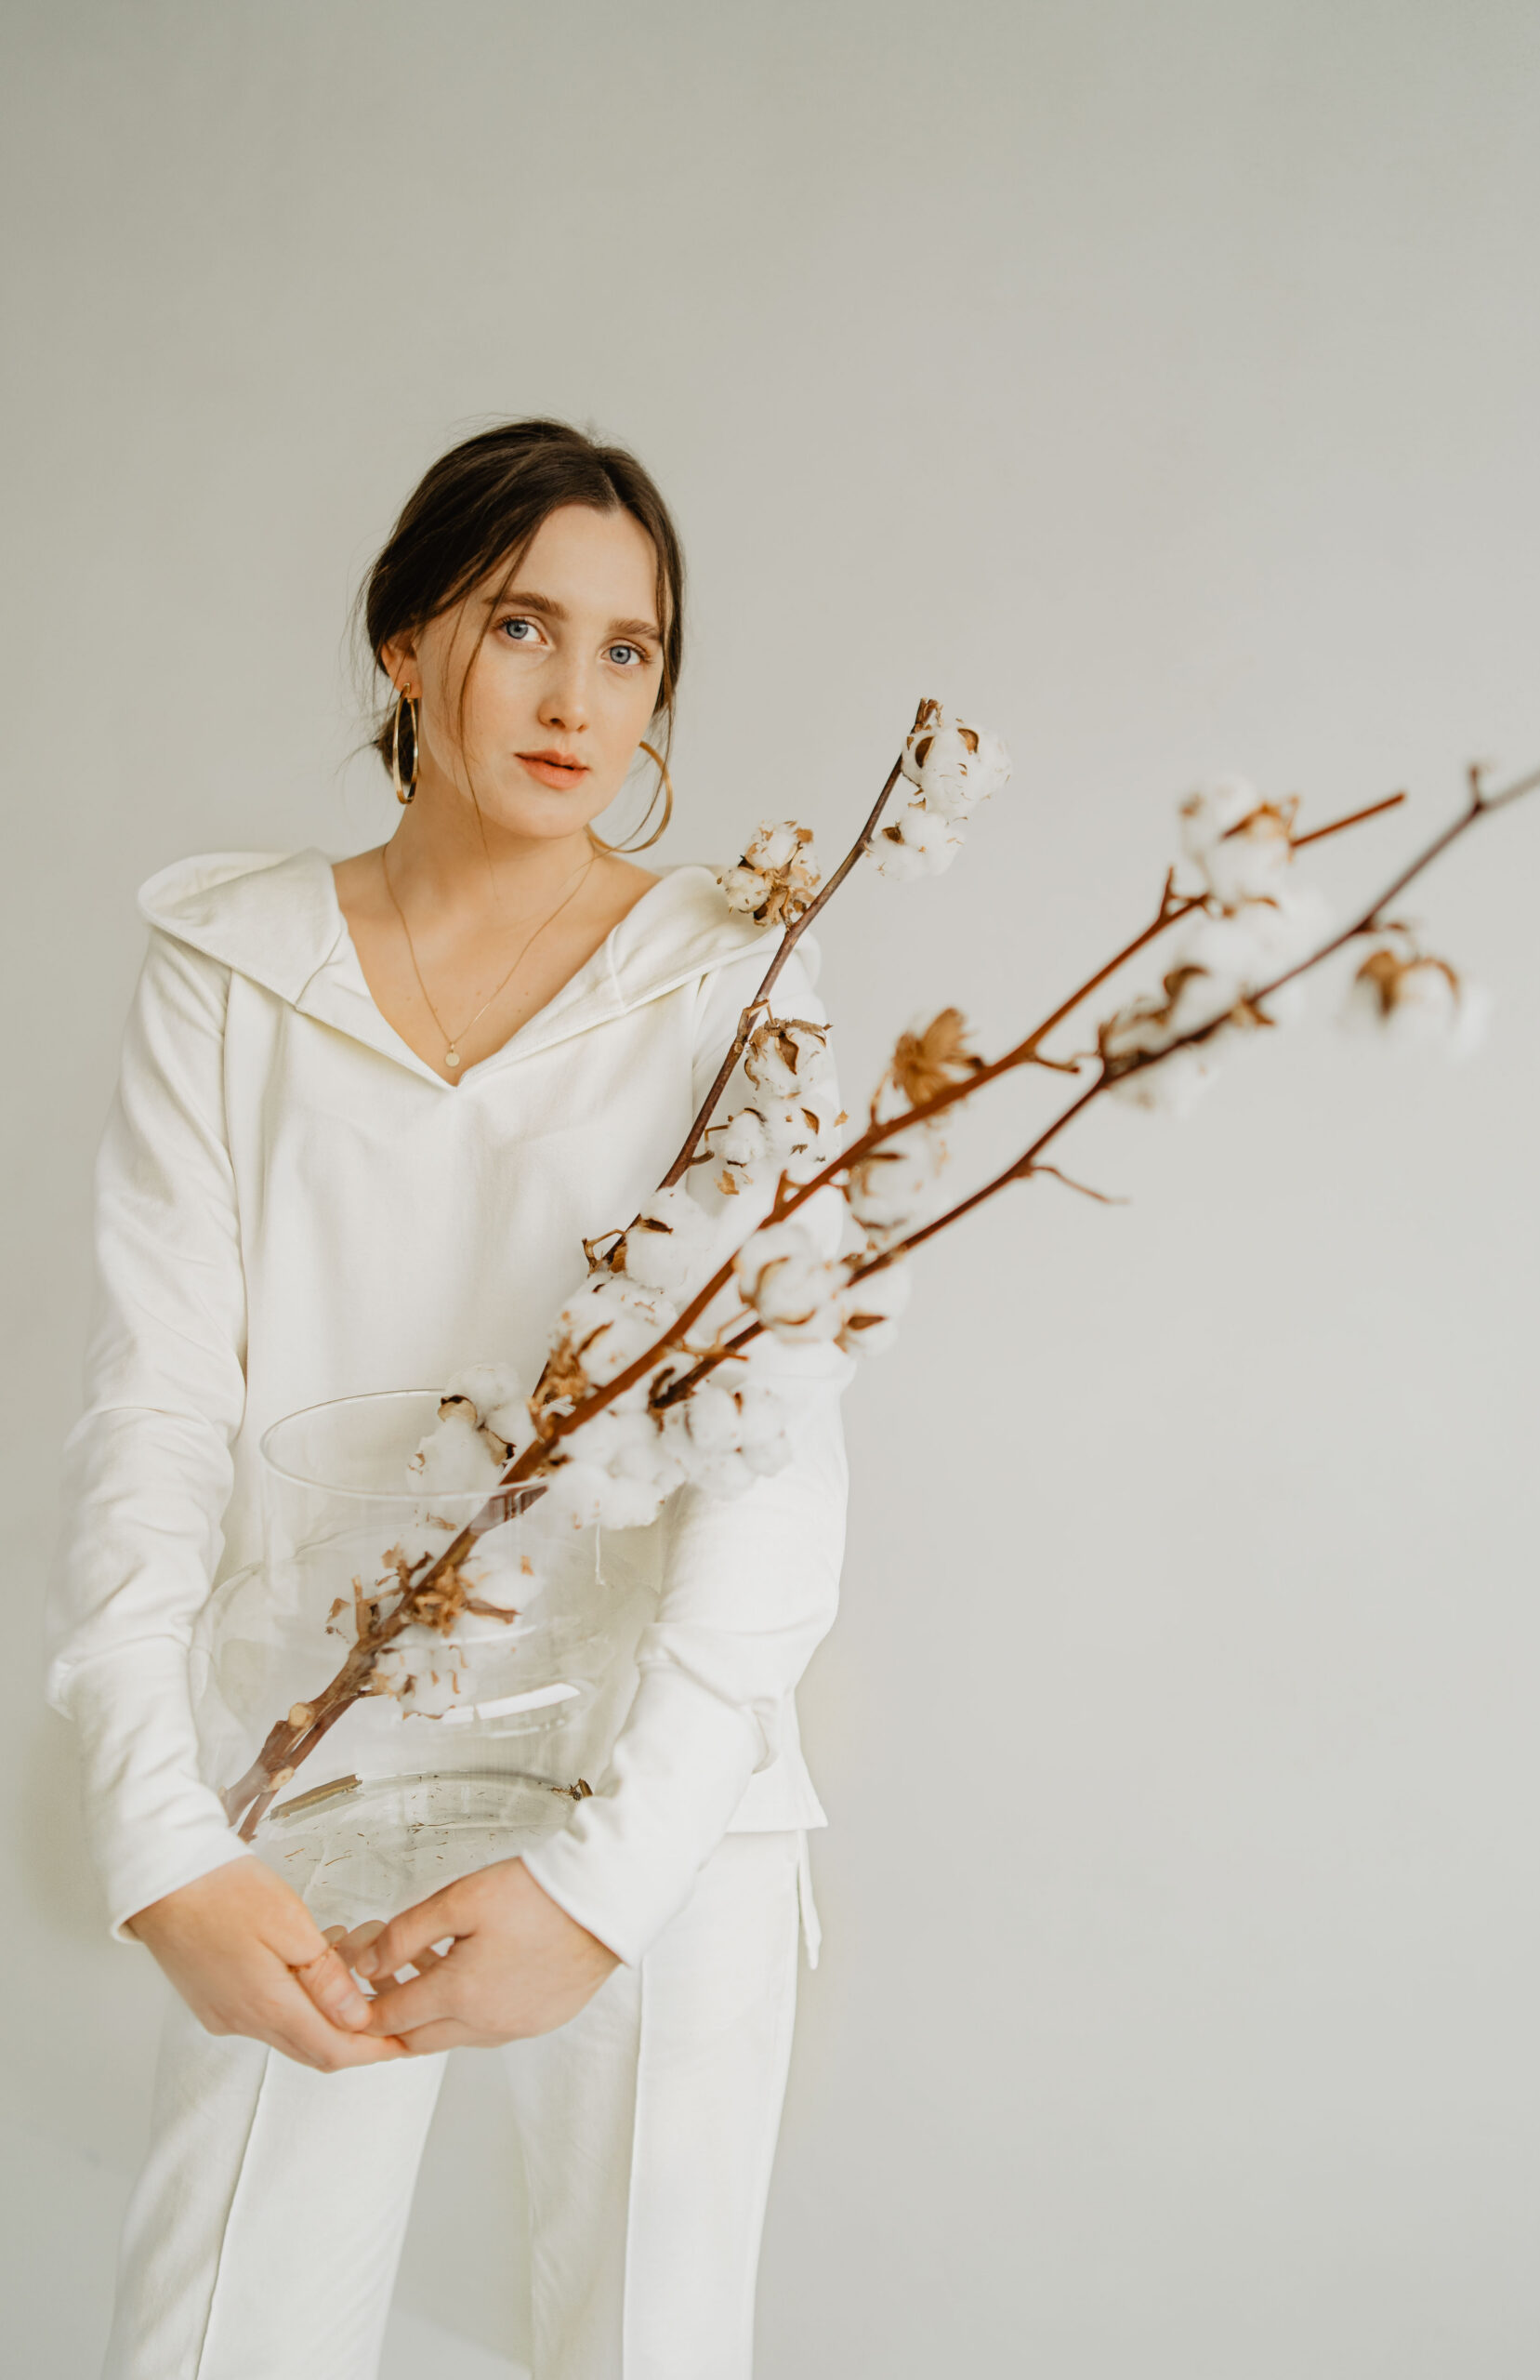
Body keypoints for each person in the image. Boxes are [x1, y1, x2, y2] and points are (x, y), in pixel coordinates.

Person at [46, 418, 852, 2380]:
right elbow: (156, 1420)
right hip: (320, 1762)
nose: (577, 698)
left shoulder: (734, 980)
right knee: (219, 2341)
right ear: (407, 642)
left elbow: (771, 1462)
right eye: (520, 626)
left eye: (628, 649)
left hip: (657, 1785)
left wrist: (608, 1882)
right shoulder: (231, 966)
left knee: (642, 2349)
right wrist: (161, 1836)